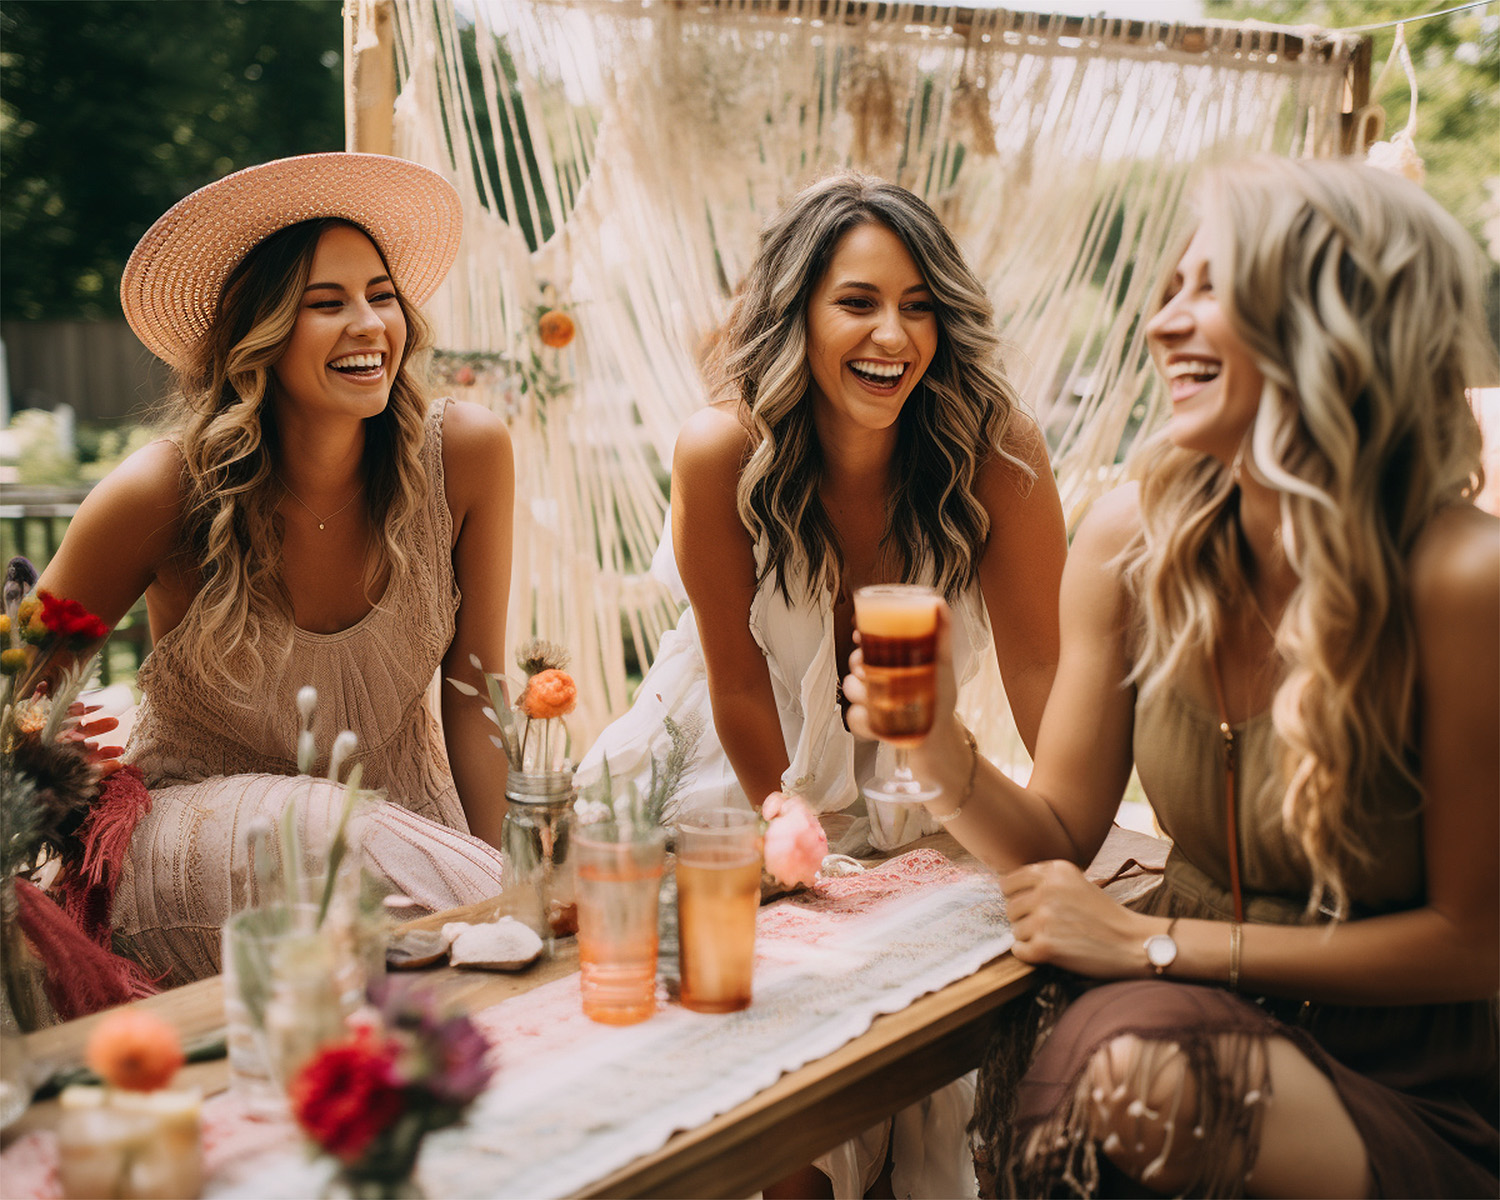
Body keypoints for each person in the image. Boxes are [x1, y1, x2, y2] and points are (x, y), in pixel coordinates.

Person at [847, 155, 1499, 1197]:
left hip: (1408, 1085)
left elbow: (1477, 943)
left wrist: (1158, 947)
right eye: (1170, 290)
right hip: (1178, 1034)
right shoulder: (1129, 541)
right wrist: (938, 750)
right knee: (1130, 1063)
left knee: (1138, 1069)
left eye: (1210, 288)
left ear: (1330, 315)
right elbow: (1061, 833)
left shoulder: (1464, 576)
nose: (1162, 324)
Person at [580, 172, 1067, 1198]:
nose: (893, 335)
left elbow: (1038, 665)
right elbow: (739, 683)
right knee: (771, 1093)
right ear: (797, 310)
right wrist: (785, 830)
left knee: (944, 1057)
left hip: (907, 792)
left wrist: (1068, 816)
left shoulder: (996, 452)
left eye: (920, 306)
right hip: (723, 781)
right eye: (858, 302)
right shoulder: (724, 450)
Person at [36, 153, 516, 987]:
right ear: (257, 335)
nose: (369, 323)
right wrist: (53, 767)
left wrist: (508, 887)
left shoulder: (465, 456)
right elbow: (21, 682)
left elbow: (476, 699)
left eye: (381, 294)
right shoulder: (163, 491)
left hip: (401, 844)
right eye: (325, 304)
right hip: (194, 841)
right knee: (326, 826)